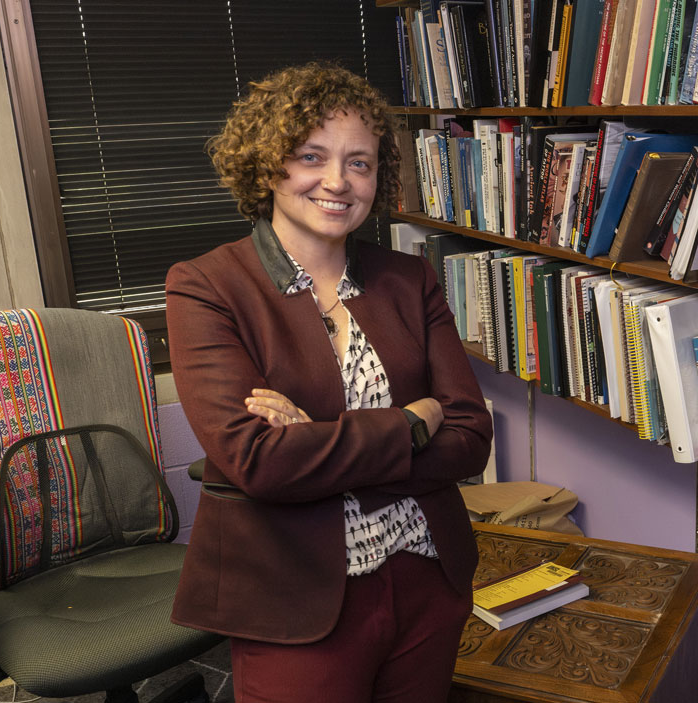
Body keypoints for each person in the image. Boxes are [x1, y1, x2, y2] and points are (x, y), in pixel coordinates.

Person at [165, 62, 493, 703]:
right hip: (295, 598)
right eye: (311, 156)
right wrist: (410, 423)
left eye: (360, 163)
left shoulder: (409, 278)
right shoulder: (206, 286)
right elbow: (258, 463)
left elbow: (472, 437)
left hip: (428, 572)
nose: (338, 182)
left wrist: (315, 444)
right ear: (268, 167)